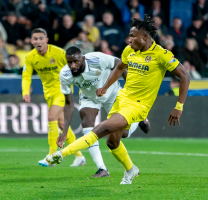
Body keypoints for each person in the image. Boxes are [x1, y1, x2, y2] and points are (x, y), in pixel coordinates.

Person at [47, 15, 190, 185]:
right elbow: (119, 67)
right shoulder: (129, 51)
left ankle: (61, 154)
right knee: (113, 142)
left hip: (139, 105)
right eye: (129, 36)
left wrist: (179, 106)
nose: (129, 40)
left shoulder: (162, 55)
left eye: (132, 36)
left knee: (101, 128)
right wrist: (106, 87)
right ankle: (131, 170)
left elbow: (185, 76)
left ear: (144, 37)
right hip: (122, 98)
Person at [59, 46, 151, 177]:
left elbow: (120, 64)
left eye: (76, 62)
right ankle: (102, 169)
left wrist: (130, 91)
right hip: (89, 97)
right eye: (69, 62)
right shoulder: (64, 74)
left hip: (111, 92)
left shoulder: (97, 59)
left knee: (122, 133)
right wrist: (65, 132)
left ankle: (138, 118)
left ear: (83, 59)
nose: (73, 65)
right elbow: (68, 103)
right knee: (86, 120)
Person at [22, 28, 85, 167]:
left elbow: (74, 65)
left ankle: (51, 156)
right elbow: (26, 76)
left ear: (46, 40)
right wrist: (25, 91)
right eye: (35, 39)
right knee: (62, 125)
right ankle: (79, 156)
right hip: (49, 93)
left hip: (63, 90)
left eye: (41, 38)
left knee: (51, 118)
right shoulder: (30, 57)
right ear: (31, 41)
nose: (38, 41)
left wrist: (81, 82)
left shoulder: (58, 53)